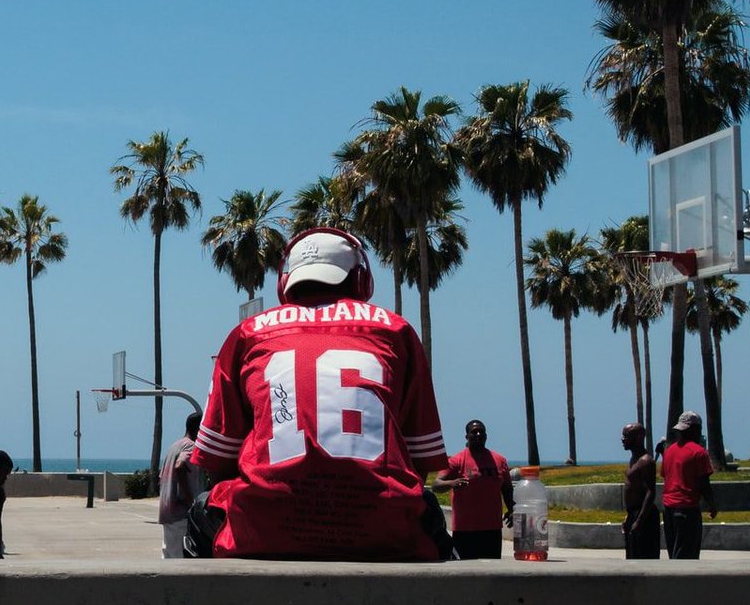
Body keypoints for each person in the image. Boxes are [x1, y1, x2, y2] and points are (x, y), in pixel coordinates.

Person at [186, 227, 450, 561]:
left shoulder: (248, 334)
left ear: (285, 281)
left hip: (265, 525)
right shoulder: (396, 330)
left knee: (201, 509)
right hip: (383, 527)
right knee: (427, 511)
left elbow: (218, 462)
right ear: (359, 278)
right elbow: (419, 460)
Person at [432, 420, 514, 559]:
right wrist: (453, 483)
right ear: (466, 436)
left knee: (492, 572)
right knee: (466, 573)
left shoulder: (499, 460)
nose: (478, 434)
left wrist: (512, 509)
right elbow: (436, 485)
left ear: (486, 436)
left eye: (481, 431)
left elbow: (507, 489)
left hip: (492, 529)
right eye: (474, 432)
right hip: (465, 530)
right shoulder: (456, 461)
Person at [660, 411, 717, 559]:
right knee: (687, 554)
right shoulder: (699, 452)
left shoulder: (669, 451)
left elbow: (666, 476)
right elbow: (704, 482)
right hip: (687, 508)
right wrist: (711, 504)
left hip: (668, 509)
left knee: (674, 551)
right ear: (696, 429)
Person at [159, 412, 204, 559]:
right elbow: (180, 465)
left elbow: (162, 475)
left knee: (168, 556)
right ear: (199, 428)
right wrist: (189, 498)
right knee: (181, 560)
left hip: (168, 511)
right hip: (182, 514)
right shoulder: (191, 447)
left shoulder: (174, 446)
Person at [621, 422, 660, 559]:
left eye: (626, 436)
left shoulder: (646, 461)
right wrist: (629, 517)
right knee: (632, 555)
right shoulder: (633, 459)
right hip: (633, 513)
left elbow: (650, 492)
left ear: (638, 437)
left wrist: (639, 520)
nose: (622, 439)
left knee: (644, 555)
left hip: (644, 516)